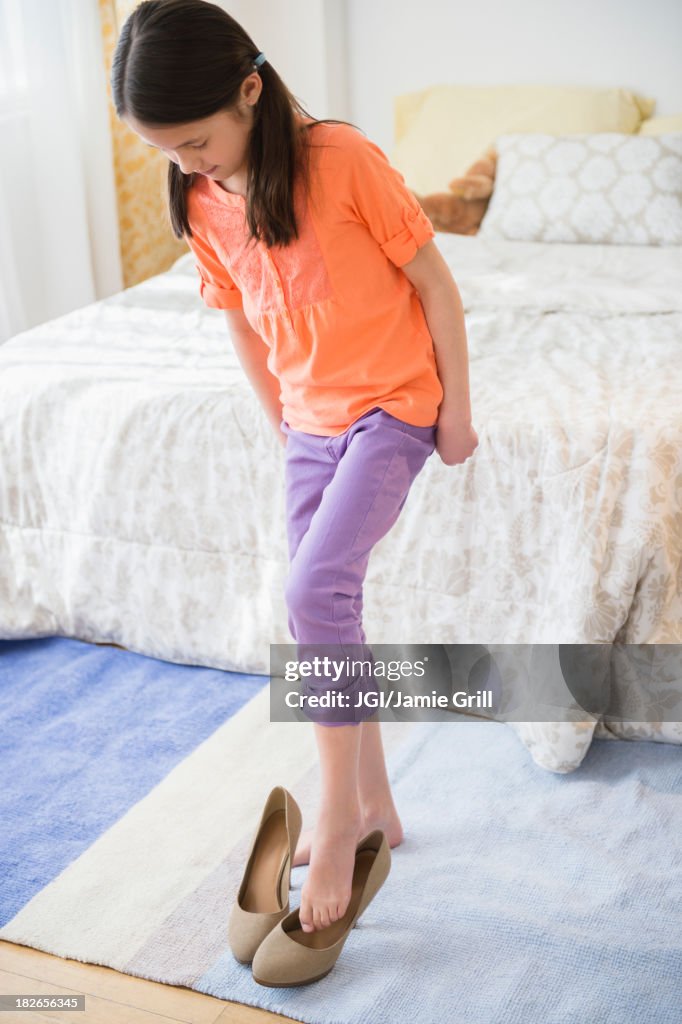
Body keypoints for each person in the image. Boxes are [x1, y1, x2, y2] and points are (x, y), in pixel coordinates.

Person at [111, 0, 478, 936]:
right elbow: (238, 314)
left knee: (314, 594)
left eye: (197, 141)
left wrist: (457, 413)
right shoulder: (200, 196)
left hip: (395, 407)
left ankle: (342, 810)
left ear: (249, 88)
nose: (189, 163)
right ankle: (382, 808)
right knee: (331, 605)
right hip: (310, 425)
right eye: (171, 151)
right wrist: (282, 421)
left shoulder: (343, 160)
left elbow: (434, 282)